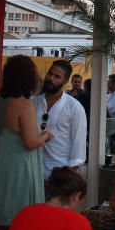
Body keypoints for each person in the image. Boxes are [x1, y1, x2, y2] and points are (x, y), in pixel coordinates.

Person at [0, 55, 52, 230]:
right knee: (18, 223)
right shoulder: (23, 105)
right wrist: (46, 136)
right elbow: (30, 142)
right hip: (18, 170)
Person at [32, 60, 87, 194]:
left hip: (59, 176)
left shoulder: (74, 107)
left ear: (66, 81)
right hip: (34, 172)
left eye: (57, 77)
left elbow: (78, 145)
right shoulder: (34, 102)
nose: (51, 78)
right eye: (50, 74)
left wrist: (68, 176)